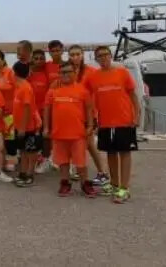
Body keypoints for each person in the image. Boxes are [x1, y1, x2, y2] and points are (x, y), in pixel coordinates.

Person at [84, 46, 140, 203]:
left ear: (110, 56)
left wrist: (137, 116)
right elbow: (84, 93)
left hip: (124, 120)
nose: (103, 58)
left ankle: (124, 188)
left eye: (105, 55)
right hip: (105, 122)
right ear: (96, 59)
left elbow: (133, 96)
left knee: (124, 153)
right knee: (111, 153)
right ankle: (114, 184)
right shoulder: (93, 76)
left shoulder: (122, 72)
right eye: (99, 56)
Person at [44, 61, 97, 197]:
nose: (65, 75)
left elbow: (89, 110)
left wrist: (90, 126)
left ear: (75, 73)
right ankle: (65, 183)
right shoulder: (53, 91)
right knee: (63, 162)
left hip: (78, 134)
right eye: (62, 72)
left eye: (68, 72)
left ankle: (85, 183)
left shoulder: (82, 91)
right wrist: (46, 128)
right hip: (58, 133)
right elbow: (47, 111)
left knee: (80, 162)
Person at [68, 44, 107, 186]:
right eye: (72, 55)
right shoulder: (69, 71)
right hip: (73, 113)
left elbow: (96, 93)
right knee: (75, 143)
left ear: (82, 55)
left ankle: (102, 172)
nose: (75, 57)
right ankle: (78, 169)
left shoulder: (91, 72)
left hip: (88, 113)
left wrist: (95, 115)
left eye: (77, 54)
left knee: (90, 144)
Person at [12, 62, 41, 187]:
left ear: (14, 72)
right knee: (23, 151)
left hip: (28, 127)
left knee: (31, 152)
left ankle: (30, 174)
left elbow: (27, 109)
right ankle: (22, 172)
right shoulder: (18, 87)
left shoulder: (26, 88)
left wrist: (23, 128)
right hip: (19, 126)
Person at [28, 49, 53, 174]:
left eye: (41, 58)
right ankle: (32, 159)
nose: (38, 61)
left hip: (44, 110)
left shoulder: (46, 73)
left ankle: (46, 159)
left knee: (45, 136)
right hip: (31, 111)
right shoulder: (29, 74)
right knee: (31, 136)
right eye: (36, 58)